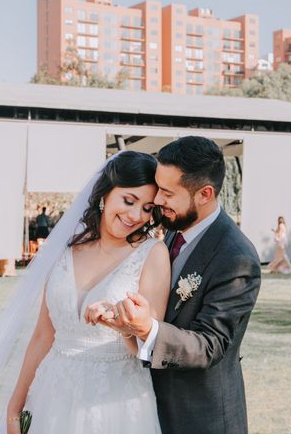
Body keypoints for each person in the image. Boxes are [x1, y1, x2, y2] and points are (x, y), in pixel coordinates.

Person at [93, 137, 261, 434]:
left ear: (204, 194)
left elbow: (210, 345)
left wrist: (148, 328)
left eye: (168, 193)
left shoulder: (237, 258)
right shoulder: (173, 232)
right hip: (151, 407)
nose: (157, 201)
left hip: (200, 417)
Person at [6, 151, 168, 434]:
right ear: (105, 195)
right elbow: (43, 335)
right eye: (128, 201)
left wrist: (122, 324)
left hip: (114, 403)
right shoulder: (65, 250)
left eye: (147, 208)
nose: (135, 215)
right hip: (51, 393)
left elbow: (147, 347)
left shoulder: (153, 254)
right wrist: (15, 406)